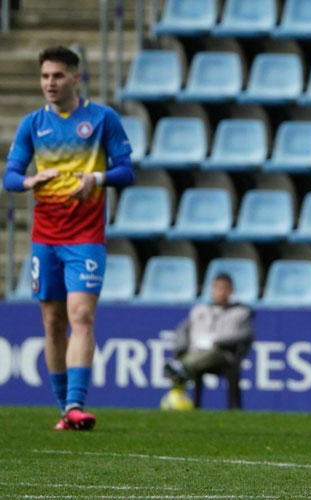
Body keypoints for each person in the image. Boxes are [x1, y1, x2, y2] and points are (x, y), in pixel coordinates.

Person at [2, 46, 135, 431]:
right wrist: (29, 180)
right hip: (46, 235)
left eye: (57, 76)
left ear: (75, 77)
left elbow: (126, 171)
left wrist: (96, 178)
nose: (49, 83)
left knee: (82, 315)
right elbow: (10, 177)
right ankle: (65, 411)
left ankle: (76, 403)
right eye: (45, 76)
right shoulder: (32, 124)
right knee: (52, 321)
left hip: (86, 234)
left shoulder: (101, 118)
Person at [164, 273, 254, 400]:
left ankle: (181, 368)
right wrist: (180, 347)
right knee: (190, 356)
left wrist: (219, 343)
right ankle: (177, 396)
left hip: (222, 353)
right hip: (196, 351)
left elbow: (245, 335)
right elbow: (182, 330)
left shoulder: (241, 312)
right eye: (217, 288)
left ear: (231, 291)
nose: (220, 292)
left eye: (224, 289)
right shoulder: (200, 310)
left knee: (204, 354)